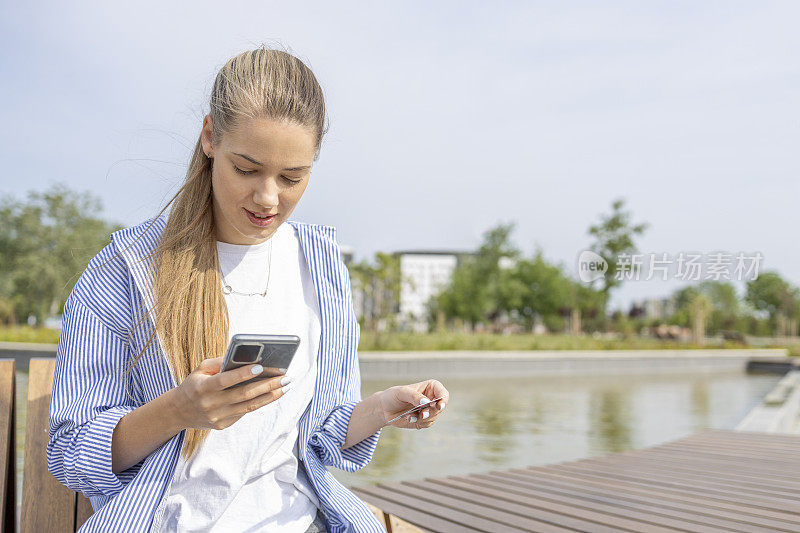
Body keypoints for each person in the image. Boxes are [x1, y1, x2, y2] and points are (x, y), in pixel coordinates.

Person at [46, 45, 450, 533]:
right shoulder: (123, 273)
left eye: (292, 177)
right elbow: (70, 452)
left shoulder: (321, 269)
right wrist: (178, 411)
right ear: (210, 137)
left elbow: (319, 435)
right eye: (247, 169)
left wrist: (382, 409)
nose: (267, 198)